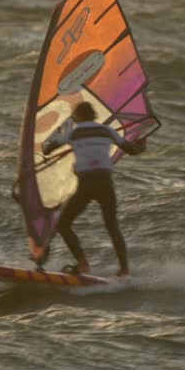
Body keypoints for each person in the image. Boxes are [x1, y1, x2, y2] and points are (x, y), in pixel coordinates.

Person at [41, 101, 145, 278]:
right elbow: (133, 150)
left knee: (63, 224)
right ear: (93, 115)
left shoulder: (74, 133)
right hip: (105, 183)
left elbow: (48, 149)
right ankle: (124, 269)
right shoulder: (107, 131)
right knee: (112, 226)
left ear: (77, 117)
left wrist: (55, 136)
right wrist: (143, 144)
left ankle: (82, 263)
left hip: (87, 184)